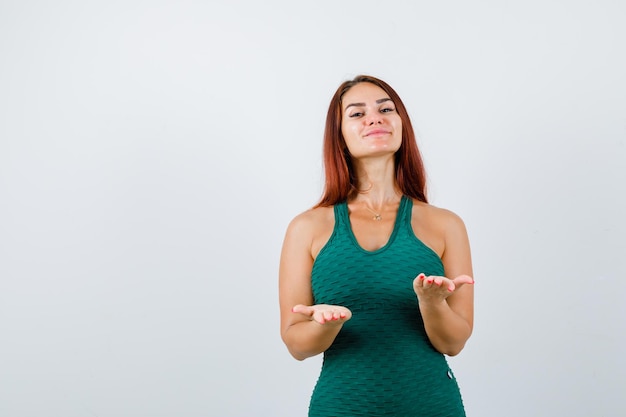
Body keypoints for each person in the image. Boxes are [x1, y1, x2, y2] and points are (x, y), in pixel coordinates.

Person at [278, 75, 474, 416]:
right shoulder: (307, 228)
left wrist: (432, 304)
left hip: (432, 406)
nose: (375, 117)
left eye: (386, 108)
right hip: (341, 407)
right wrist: (327, 325)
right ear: (339, 136)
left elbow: (453, 342)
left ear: (401, 125)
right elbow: (296, 344)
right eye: (356, 113)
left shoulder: (446, 225)